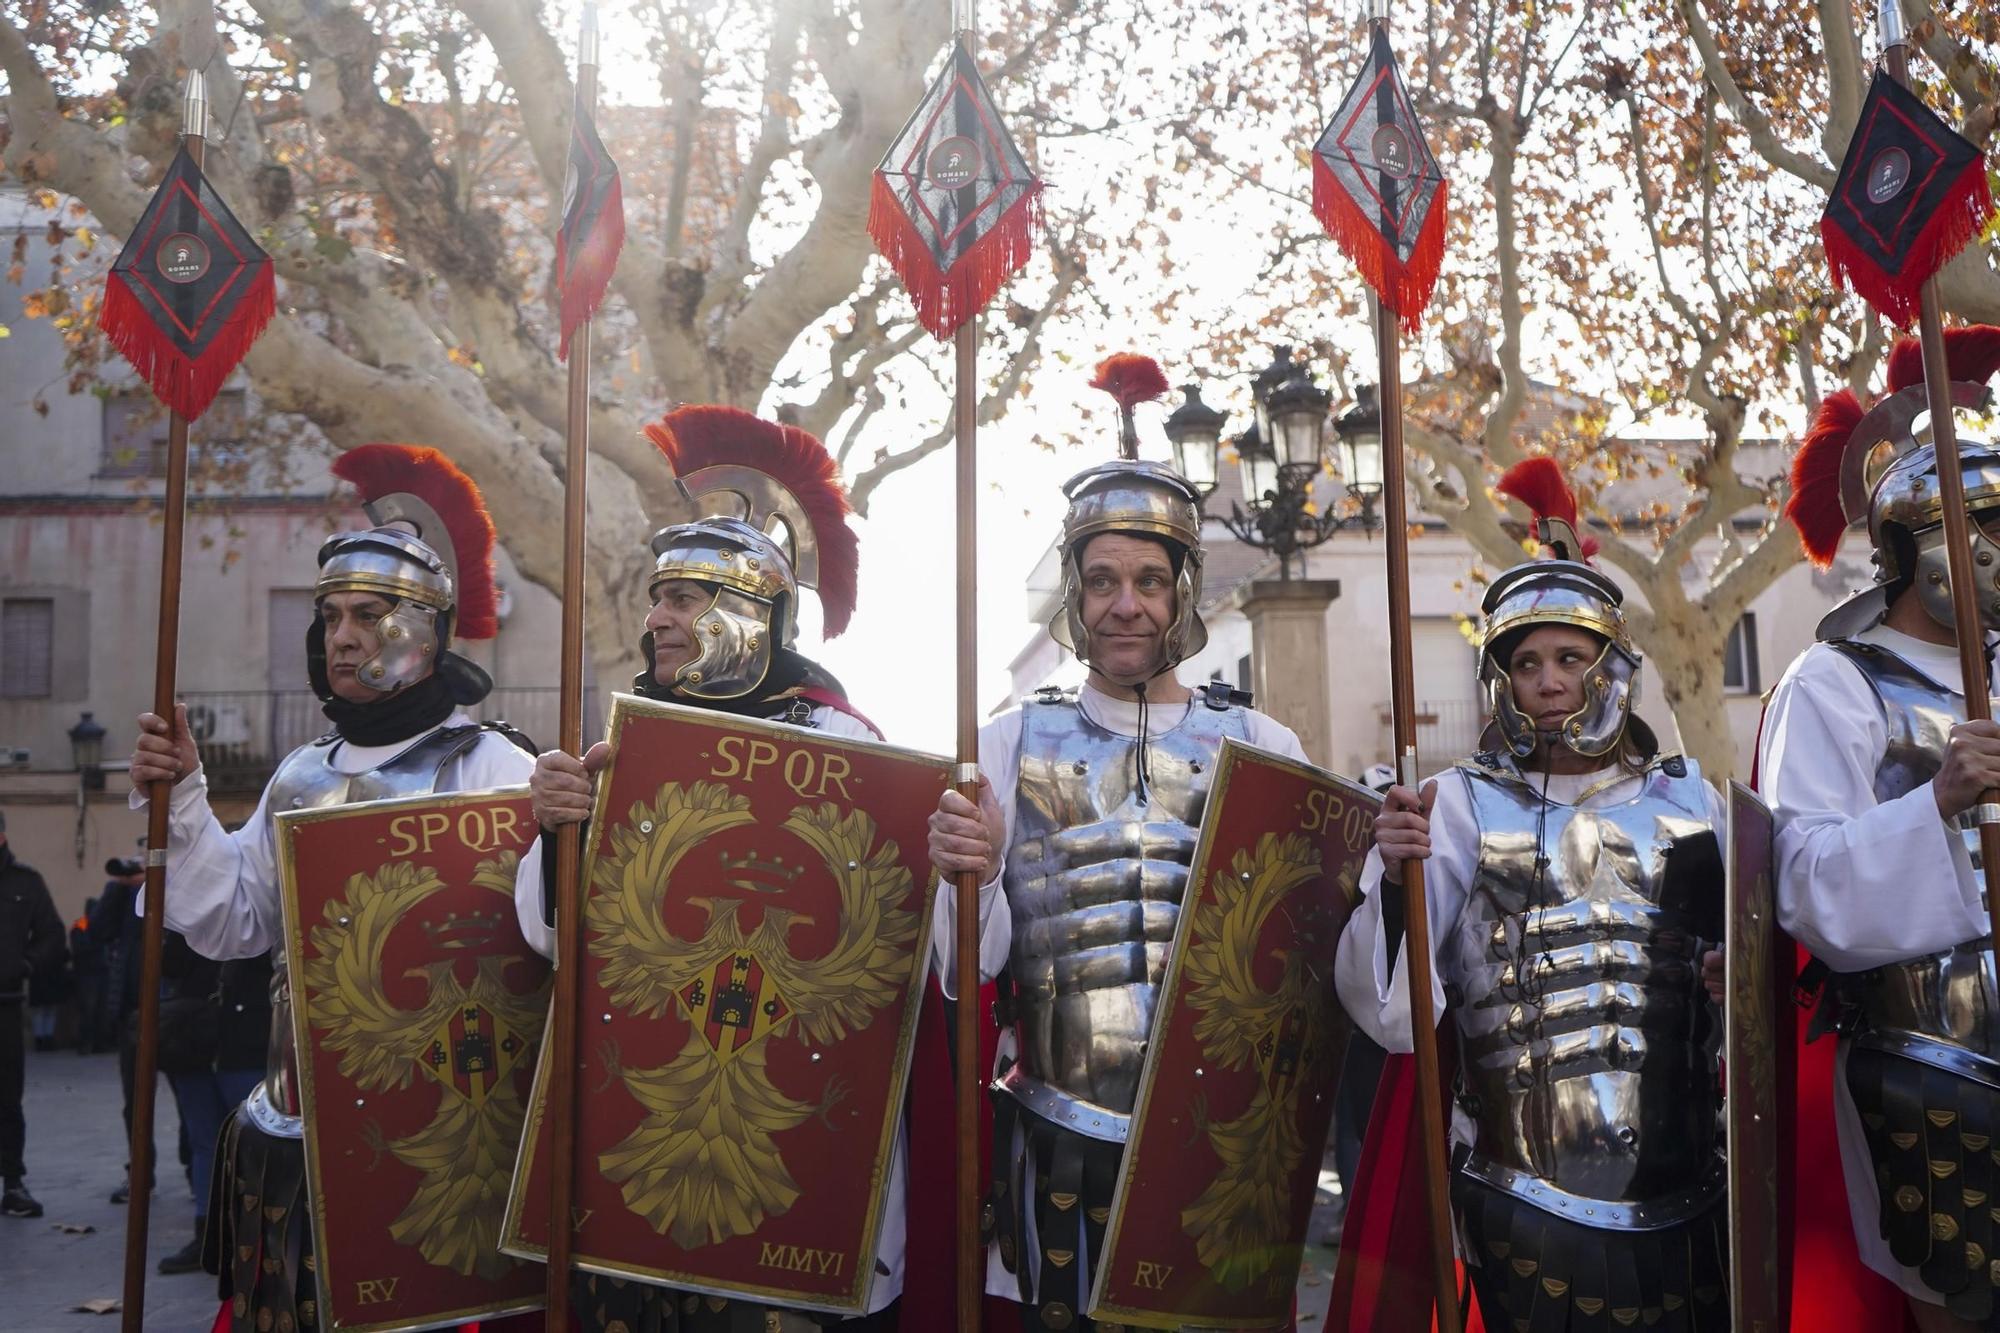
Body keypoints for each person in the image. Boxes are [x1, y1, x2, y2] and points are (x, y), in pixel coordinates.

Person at [515, 405, 920, 1331]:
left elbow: (929, 960)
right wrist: (555, 831)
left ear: (753, 611)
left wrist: (956, 856)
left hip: (800, 1161)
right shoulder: (615, 757)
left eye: (685, 597)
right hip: (640, 1156)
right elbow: (549, 938)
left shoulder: (851, 749)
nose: (657, 617)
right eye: (659, 596)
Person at [128, 445, 534, 1332]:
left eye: (367, 614)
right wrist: (187, 795)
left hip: (440, 1140)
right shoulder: (300, 775)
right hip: (294, 1132)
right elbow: (231, 920)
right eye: (331, 615)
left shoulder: (499, 767)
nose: (340, 635)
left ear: (425, 627)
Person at [926, 413, 1309, 1328]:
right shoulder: (1005, 742)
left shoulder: (1262, 744)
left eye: (1146, 580)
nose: (1123, 605)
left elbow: (1310, 970)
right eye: (1101, 581)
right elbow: (966, 967)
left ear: (1182, 594)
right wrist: (960, 874)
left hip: (1219, 1138)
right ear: (1075, 592)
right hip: (1061, 1127)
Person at [1333, 458, 1730, 1331]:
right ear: (1501, 682)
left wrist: (1731, 979)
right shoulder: (1462, 807)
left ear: (1611, 668)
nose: (1548, 680)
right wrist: (1391, 880)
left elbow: (1753, 986)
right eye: (1525, 663)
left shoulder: (1694, 803)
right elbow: (1394, 1013)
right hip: (1521, 1198)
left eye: (1569, 657)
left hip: (1694, 1191)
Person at [1762, 326, 2000, 1332]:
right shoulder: (1832, 684)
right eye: (1982, 524)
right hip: (1930, 1062)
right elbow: (1802, 880)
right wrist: (1935, 800)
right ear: (1914, 546)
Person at [0, 809, 65, 1218]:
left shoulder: (26, 882)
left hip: (6, 1005)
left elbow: (52, 936)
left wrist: (22, 966)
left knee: (8, 1098)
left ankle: (13, 1182)